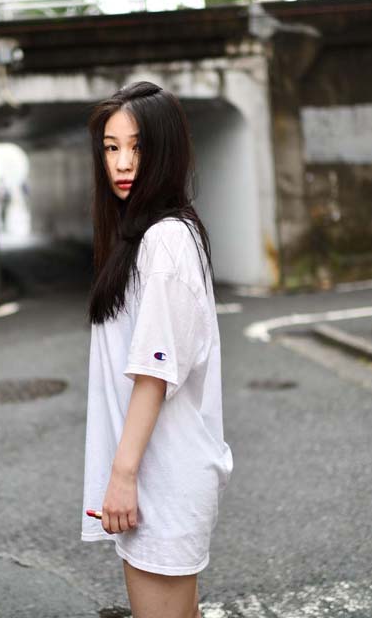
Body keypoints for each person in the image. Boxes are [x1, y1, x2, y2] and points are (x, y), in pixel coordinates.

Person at [81, 80, 234, 618]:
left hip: (161, 480)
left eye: (138, 147)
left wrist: (122, 477)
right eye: (111, 147)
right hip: (159, 474)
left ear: (166, 151)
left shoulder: (165, 241)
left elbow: (154, 373)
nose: (122, 163)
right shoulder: (145, 236)